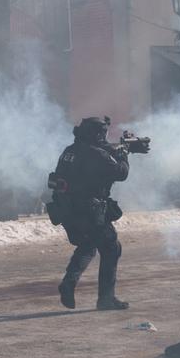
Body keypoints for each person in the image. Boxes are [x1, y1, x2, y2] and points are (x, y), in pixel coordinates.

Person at [49, 117, 133, 311]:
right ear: (95, 134)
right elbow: (121, 173)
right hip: (89, 210)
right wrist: (124, 154)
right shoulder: (96, 155)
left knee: (88, 245)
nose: (104, 137)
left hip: (67, 209)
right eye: (102, 133)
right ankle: (106, 299)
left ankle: (69, 283)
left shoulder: (69, 151)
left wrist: (116, 149)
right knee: (111, 247)